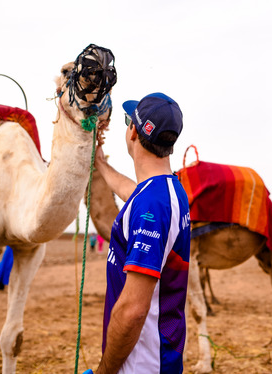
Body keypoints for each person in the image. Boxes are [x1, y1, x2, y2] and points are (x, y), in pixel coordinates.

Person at [93, 92, 191, 373]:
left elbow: (133, 310)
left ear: (133, 131)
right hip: (157, 356)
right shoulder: (167, 190)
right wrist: (101, 164)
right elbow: (132, 193)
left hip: (141, 363)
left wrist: (105, 371)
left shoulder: (152, 203)